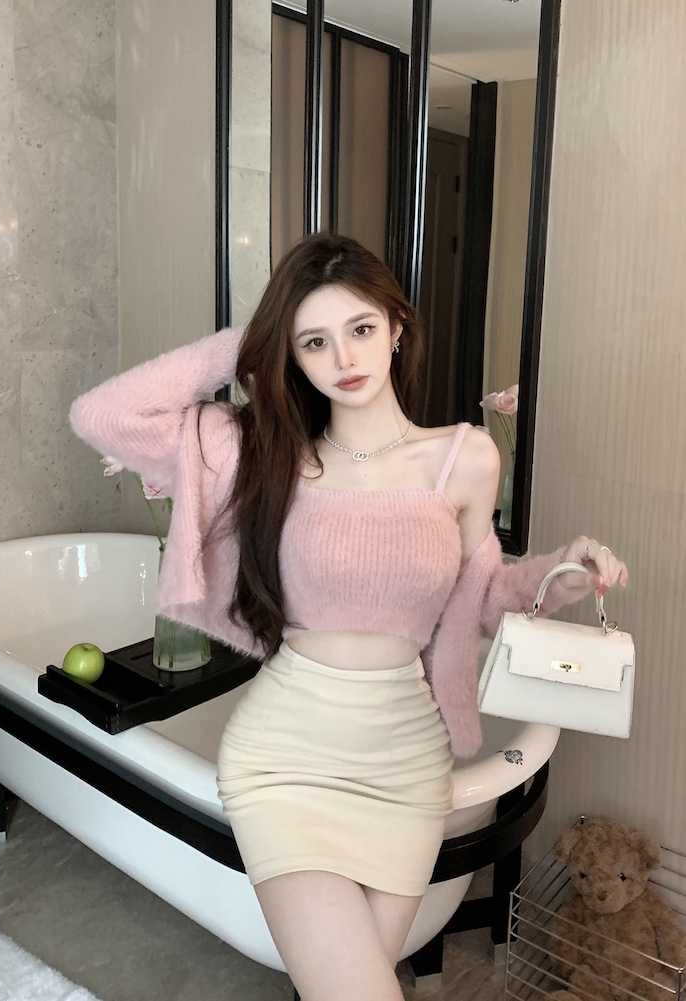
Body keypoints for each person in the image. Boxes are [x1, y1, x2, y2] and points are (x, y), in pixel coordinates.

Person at [70, 232, 628, 1001]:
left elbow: (483, 600)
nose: (344, 357)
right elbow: (103, 414)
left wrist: (564, 569)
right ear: (292, 355)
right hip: (286, 758)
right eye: (314, 341)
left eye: (361, 327)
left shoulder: (464, 459)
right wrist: (251, 339)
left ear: (397, 326)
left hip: (405, 767)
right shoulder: (264, 453)